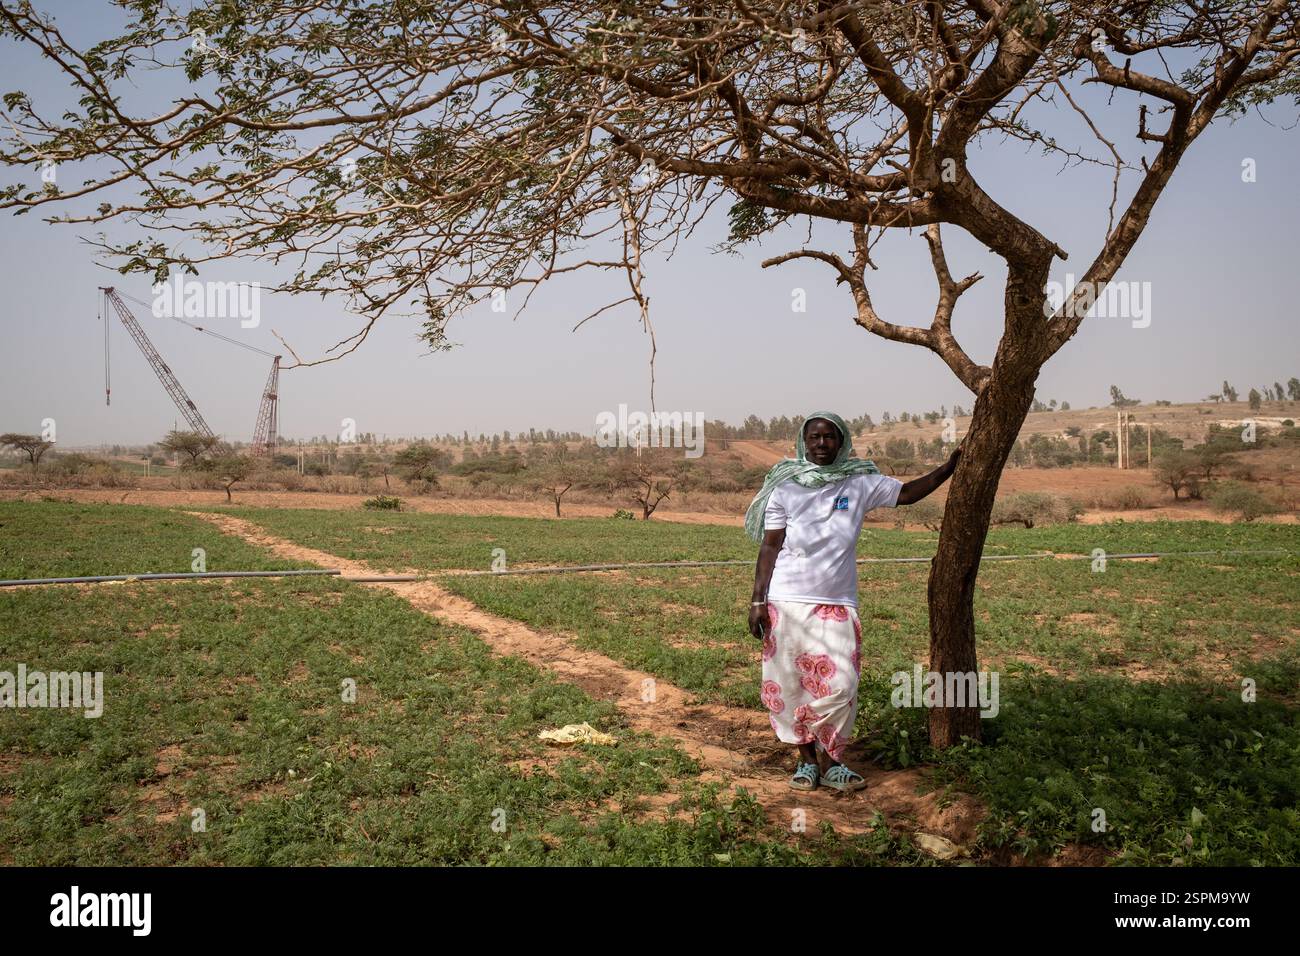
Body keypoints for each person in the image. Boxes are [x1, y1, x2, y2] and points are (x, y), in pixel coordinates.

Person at [744, 411, 960, 792]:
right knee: (792, 684)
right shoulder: (786, 488)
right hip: (786, 600)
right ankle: (808, 763)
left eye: (829, 437)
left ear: (841, 442)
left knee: (842, 683)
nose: (822, 444)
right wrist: (757, 600)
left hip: (837, 602)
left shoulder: (859, 484)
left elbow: (907, 493)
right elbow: (770, 545)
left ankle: (832, 761)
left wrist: (950, 467)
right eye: (814, 437)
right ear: (803, 442)